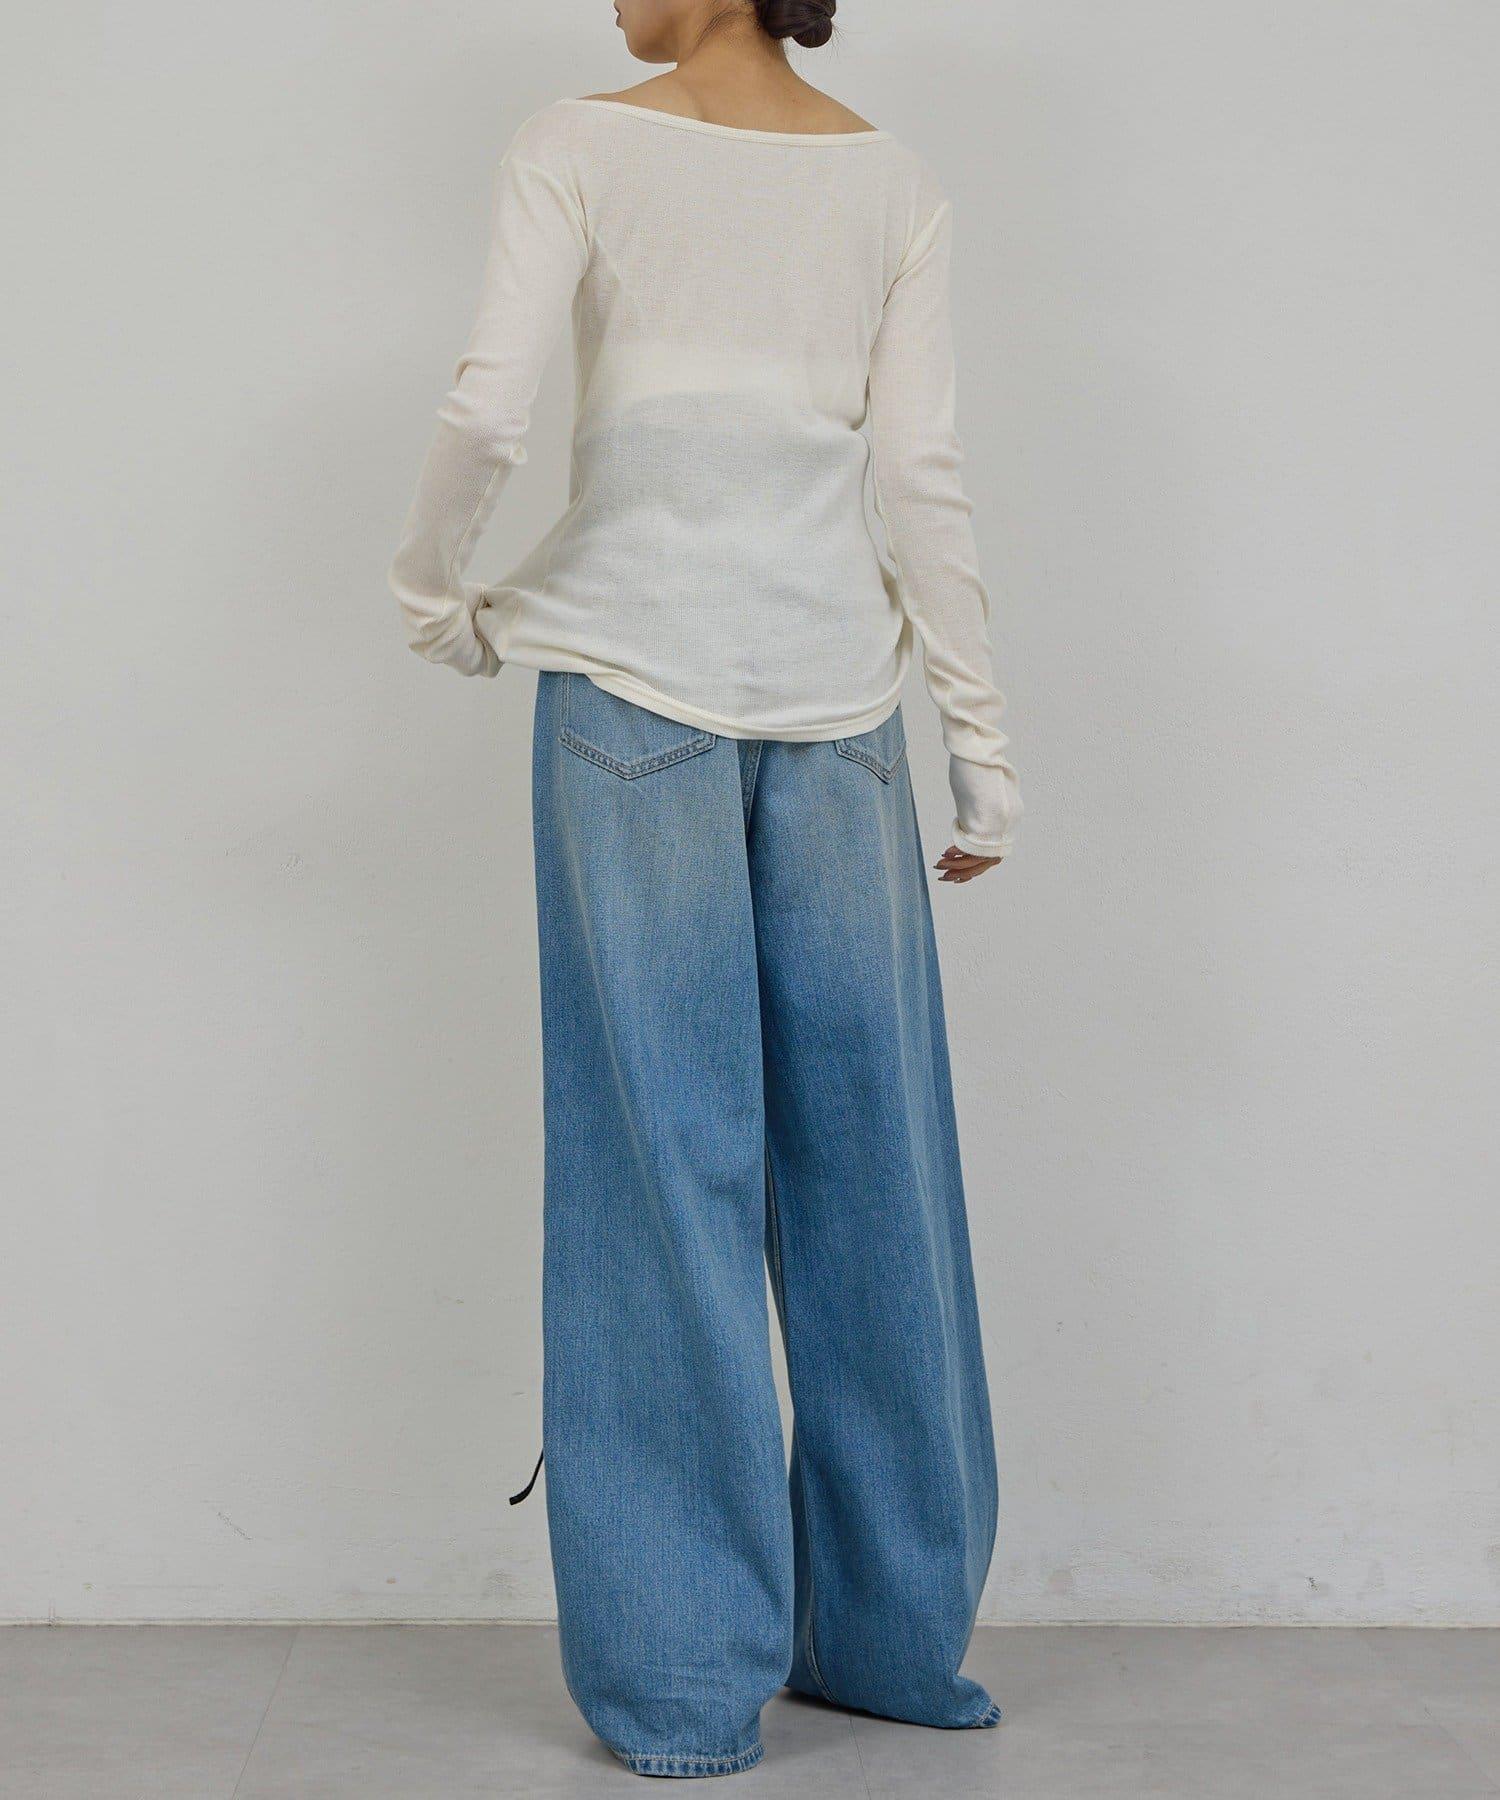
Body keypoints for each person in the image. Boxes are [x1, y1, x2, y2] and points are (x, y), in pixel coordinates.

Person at [389, 0, 1021, 1777]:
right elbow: (920, 476)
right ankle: (895, 1647)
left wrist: (435, 595)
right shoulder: (892, 181)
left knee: (662, 1177)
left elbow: (490, 406)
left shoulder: (581, 140)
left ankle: (681, 1686)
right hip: (845, 721)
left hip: (627, 698)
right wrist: (983, 749)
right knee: (878, 1175)